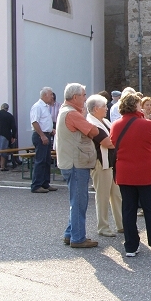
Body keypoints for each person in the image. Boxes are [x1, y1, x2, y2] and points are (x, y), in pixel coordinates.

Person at [110, 92, 151, 257]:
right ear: (136, 106)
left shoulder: (116, 125)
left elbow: (113, 143)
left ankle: (131, 246)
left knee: (128, 210)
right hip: (146, 173)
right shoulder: (147, 124)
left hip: (125, 173)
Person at [57, 83, 100, 248]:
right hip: (76, 163)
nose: (85, 98)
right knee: (79, 201)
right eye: (83, 95)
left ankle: (71, 233)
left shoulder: (65, 111)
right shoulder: (72, 114)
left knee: (76, 199)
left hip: (70, 162)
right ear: (75, 97)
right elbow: (93, 132)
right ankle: (78, 237)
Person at [86, 94, 123, 238]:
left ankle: (121, 224)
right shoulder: (92, 123)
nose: (106, 109)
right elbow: (107, 142)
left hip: (111, 162)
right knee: (102, 196)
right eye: (103, 106)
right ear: (95, 109)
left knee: (116, 194)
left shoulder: (105, 121)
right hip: (101, 163)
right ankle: (103, 226)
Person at [30, 87, 55, 192]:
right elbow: (35, 122)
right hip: (41, 135)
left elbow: (44, 122)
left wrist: (51, 130)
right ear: (45, 95)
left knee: (46, 160)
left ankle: (45, 183)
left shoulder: (45, 107)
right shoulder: (37, 106)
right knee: (40, 160)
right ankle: (36, 185)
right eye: (50, 95)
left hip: (46, 134)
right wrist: (42, 135)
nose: (52, 97)